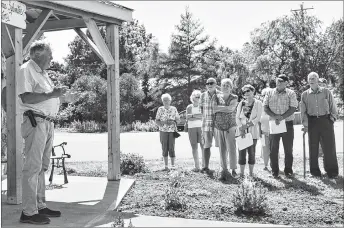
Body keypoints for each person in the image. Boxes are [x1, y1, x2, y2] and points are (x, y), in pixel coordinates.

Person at [17, 40, 76, 224]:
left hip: (46, 123)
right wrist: (52, 95)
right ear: (37, 55)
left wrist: (64, 98)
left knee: (42, 167)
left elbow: (47, 97)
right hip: (35, 122)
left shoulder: (43, 74)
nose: (52, 58)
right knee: (32, 168)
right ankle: (28, 212)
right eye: (49, 55)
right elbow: (26, 96)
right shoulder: (26, 69)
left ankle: (40, 206)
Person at [300, 72, 338, 178]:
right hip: (312, 122)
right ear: (308, 81)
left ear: (317, 80)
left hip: (326, 120)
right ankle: (315, 172)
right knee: (313, 147)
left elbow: (333, 106)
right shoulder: (305, 95)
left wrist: (332, 119)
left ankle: (332, 172)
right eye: (310, 78)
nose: (311, 80)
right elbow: (303, 111)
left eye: (313, 78)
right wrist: (305, 124)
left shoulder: (326, 92)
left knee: (329, 147)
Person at [263, 74, 298, 178]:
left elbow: (293, 107)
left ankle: (288, 171)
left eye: (281, 81)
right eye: (277, 81)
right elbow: (265, 107)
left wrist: (281, 117)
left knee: (288, 149)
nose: (278, 83)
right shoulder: (269, 92)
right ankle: (275, 171)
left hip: (287, 124)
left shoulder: (291, 93)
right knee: (273, 149)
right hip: (274, 123)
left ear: (286, 83)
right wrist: (274, 116)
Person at [213, 78, 238, 180]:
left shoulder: (234, 97)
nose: (225, 87)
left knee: (231, 148)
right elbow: (213, 109)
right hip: (218, 126)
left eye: (227, 85)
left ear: (231, 87)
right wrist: (224, 108)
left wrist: (219, 108)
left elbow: (231, 109)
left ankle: (233, 169)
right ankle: (224, 169)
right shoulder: (216, 96)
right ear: (221, 87)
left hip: (230, 126)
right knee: (222, 149)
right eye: (223, 85)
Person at [236, 84, 263, 177]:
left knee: (251, 153)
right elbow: (237, 117)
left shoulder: (258, 103)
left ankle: (251, 173)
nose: (246, 93)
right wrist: (241, 128)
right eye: (244, 92)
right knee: (241, 152)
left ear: (253, 91)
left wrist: (246, 125)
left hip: (252, 131)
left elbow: (258, 118)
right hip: (242, 132)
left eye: (248, 91)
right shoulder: (241, 103)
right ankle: (242, 173)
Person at [199, 77, 221, 174]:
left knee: (222, 146)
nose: (209, 85)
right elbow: (201, 110)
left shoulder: (220, 95)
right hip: (206, 125)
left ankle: (223, 168)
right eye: (207, 83)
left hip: (219, 125)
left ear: (216, 84)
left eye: (211, 83)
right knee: (206, 146)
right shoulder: (203, 96)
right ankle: (205, 167)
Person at [155, 93, 180, 171]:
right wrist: (163, 122)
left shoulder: (174, 109)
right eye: (164, 100)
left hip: (172, 131)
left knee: (171, 147)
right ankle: (166, 166)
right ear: (162, 101)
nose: (166, 101)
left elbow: (178, 120)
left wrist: (173, 122)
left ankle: (172, 165)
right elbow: (157, 120)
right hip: (163, 131)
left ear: (170, 101)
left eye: (167, 100)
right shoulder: (160, 109)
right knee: (164, 147)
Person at [186, 90, 205, 172]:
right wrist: (196, 116)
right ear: (192, 97)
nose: (198, 98)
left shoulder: (202, 106)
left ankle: (204, 165)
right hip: (191, 128)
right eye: (196, 96)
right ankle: (197, 166)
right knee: (194, 147)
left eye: (199, 96)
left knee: (203, 146)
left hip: (201, 128)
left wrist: (193, 116)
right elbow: (188, 117)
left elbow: (203, 116)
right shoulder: (189, 107)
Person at [259, 87, 272, 171]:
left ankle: (273, 164)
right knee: (264, 148)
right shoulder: (260, 107)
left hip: (273, 132)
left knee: (274, 148)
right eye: (264, 95)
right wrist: (259, 131)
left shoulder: (274, 107)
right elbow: (258, 121)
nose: (265, 97)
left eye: (267, 95)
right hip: (263, 132)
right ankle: (266, 165)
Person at [317, 78, 328, 157]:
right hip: (316, 119)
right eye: (320, 85)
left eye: (324, 85)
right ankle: (318, 152)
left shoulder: (328, 94)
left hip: (326, 119)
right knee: (316, 137)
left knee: (326, 138)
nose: (322, 86)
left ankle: (325, 152)